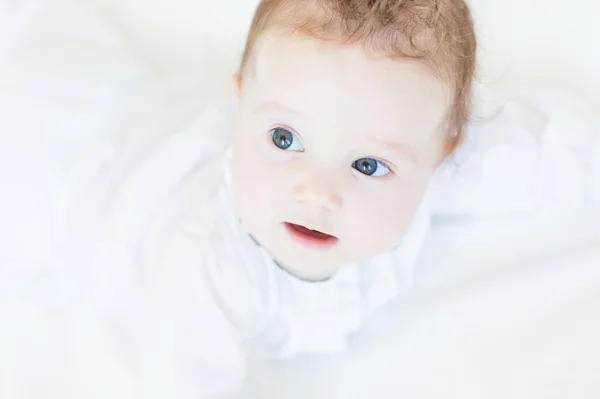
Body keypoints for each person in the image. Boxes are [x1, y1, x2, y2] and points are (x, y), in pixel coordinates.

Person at [127, 0, 599, 397]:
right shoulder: (204, 263)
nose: (317, 193)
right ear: (241, 102)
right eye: (284, 138)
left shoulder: (419, 138)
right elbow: (181, 379)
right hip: (102, 186)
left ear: (442, 156)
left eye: (367, 166)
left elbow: (550, 152)